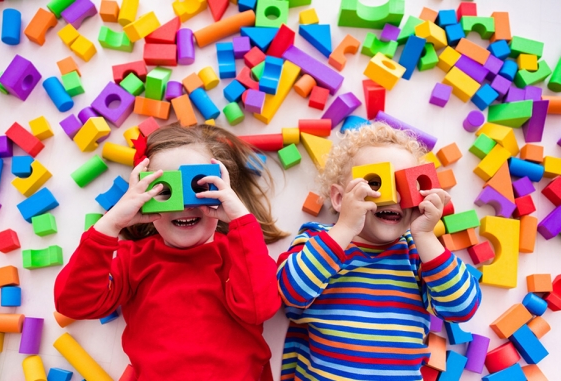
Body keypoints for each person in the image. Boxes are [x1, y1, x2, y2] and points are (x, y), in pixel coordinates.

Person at [55, 123, 288, 380]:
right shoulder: (133, 259)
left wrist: (241, 220)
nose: (184, 206)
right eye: (165, 192)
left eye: (198, 188)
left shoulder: (241, 252)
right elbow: (73, 303)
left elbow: (259, 308)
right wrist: (111, 224)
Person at [277, 122, 481, 380]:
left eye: (406, 186)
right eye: (376, 183)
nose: (393, 197)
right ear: (339, 199)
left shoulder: (418, 253)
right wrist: (345, 228)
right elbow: (290, 294)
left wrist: (426, 236)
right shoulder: (320, 240)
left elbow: (462, 308)